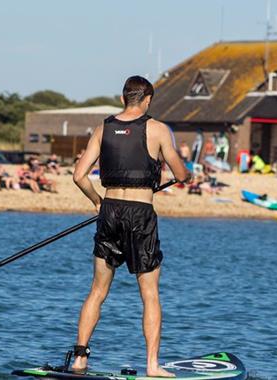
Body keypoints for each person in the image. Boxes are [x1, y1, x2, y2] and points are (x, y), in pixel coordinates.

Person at [71, 76, 190, 377]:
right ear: (147, 99)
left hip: (109, 211)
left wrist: (97, 202)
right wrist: (183, 172)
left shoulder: (103, 128)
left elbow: (78, 176)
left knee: (97, 290)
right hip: (140, 213)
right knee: (149, 294)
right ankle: (152, 365)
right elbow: (181, 173)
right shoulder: (158, 129)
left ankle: (80, 360)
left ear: (124, 98)